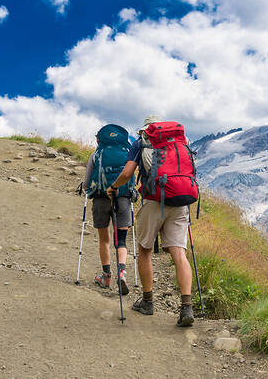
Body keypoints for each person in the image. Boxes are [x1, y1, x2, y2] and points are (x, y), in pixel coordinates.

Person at [106, 115, 196, 327]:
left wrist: (114, 187)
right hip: (180, 200)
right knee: (179, 253)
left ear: (146, 129)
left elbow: (128, 172)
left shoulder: (141, 142)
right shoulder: (183, 142)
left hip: (154, 200)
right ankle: (186, 307)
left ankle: (147, 302)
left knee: (144, 249)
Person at [79, 124, 136, 296]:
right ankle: (122, 273)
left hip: (101, 199)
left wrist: (84, 187)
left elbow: (87, 183)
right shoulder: (128, 153)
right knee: (122, 240)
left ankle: (106, 276)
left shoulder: (96, 154)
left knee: (104, 240)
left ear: (100, 139)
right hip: (123, 199)